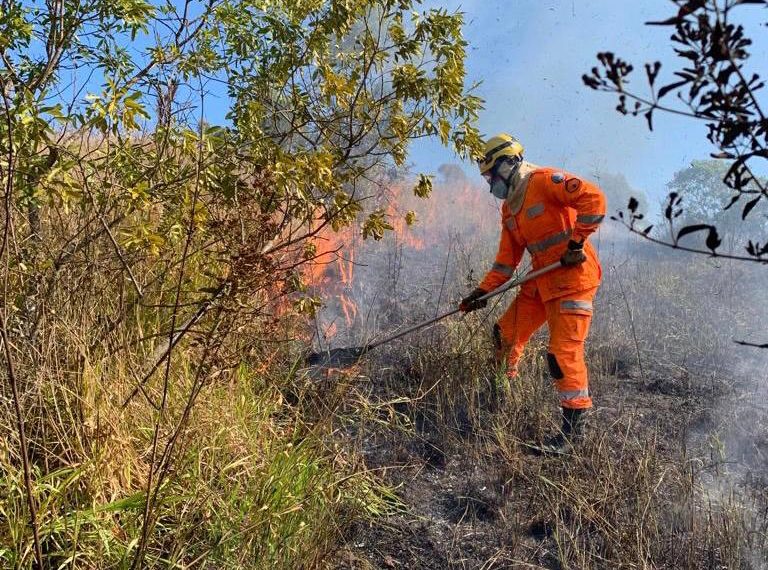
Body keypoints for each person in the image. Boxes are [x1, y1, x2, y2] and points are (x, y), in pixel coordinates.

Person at [459, 133, 606, 454]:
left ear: (510, 163)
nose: (490, 184)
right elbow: (505, 261)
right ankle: (501, 396)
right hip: (540, 281)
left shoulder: (544, 181)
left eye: (492, 175)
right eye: (487, 178)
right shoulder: (510, 211)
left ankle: (572, 434)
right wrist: (480, 293)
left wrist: (576, 244)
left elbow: (593, 200)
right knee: (504, 334)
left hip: (573, 277)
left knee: (561, 354)